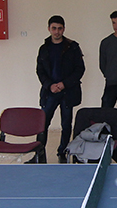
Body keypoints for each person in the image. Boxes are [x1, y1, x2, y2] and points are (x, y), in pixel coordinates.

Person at [36, 15, 85, 163]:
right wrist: (49, 85)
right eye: (54, 28)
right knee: (42, 124)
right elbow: (40, 70)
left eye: (59, 28)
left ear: (64, 29)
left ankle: (62, 152)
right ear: (49, 29)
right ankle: (39, 154)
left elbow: (80, 69)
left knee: (66, 124)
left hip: (67, 92)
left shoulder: (72, 47)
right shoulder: (44, 48)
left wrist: (64, 84)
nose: (57, 31)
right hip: (49, 92)